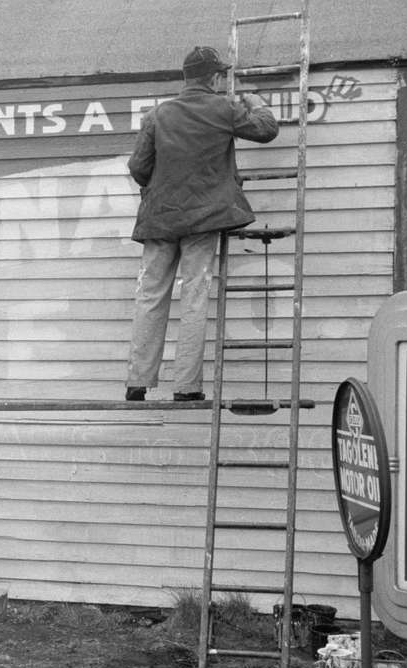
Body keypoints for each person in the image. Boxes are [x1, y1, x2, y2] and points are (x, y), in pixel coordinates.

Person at [124, 46, 279, 402]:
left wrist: (160, 188)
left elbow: (138, 167)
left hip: (160, 219)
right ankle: (186, 387)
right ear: (214, 77)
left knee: (150, 296)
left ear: (186, 77)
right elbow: (266, 131)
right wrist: (256, 103)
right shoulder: (224, 109)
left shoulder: (158, 115)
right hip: (203, 219)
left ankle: (138, 381)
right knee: (194, 296)